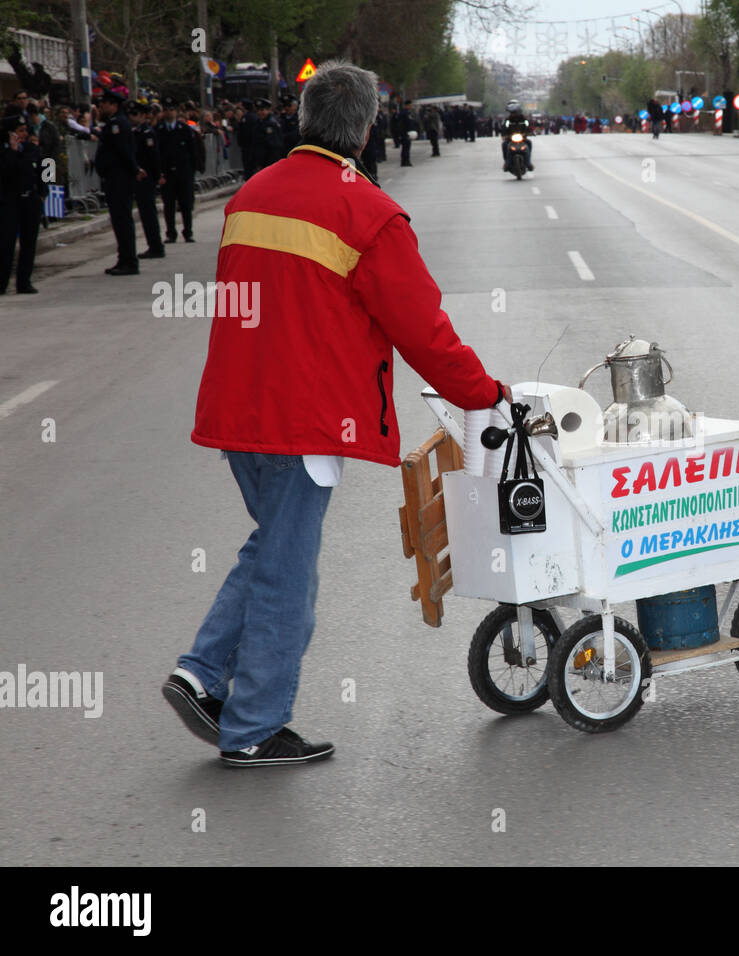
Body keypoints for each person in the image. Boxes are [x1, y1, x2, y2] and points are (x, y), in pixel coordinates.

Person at [170, 60, 513, 768]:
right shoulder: (369, 212)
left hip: (240, 409)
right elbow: (424, 331)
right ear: (365, 128)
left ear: (302, 120)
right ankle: (254, 727)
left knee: (272, 547)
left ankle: (202, 673)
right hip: (306, 420)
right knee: (287, 575)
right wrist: (484, 393)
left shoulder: (252, 194)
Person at [94, 87, 145, 275]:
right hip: (114, 178)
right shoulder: (113, 123)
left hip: (120, 179)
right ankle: (124, 258)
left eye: (104, 103)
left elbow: (124, 151)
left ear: (113, 105)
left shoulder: (118, 124)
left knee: (123, 220)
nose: (101, 106)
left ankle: (129, 261)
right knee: (119, 220)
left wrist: (134, 169)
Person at [0, 110, 45, 293]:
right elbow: (6, 171)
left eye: (25, 130)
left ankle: (24, 281)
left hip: (30, 200)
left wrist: (44, 191)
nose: (23, 134)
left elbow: (47, 164)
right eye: (19, 130)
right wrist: (11, 151)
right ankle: (2, 282)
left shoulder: (32, 148)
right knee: (6, 243)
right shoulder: (4, 152)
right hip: (10, 201)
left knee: (29, 242)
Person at [157, 98, 198, 242]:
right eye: (166, 110)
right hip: (167, 174)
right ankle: (171, 233)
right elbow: (157, 154)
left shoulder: (184, 129)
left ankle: (188, 232)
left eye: (172, 109)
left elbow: (192, 151)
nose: (169, 112)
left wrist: (192, 171)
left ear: (176, 112)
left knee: (186, 204)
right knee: (169, 205)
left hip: (183, 173)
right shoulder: (159, 130)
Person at [129, 101, 166, 258]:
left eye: (135, 114)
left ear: (143, 116)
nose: (131, 117)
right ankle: (153, 245)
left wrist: (158, 176)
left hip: (147, 178)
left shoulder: (147, 133)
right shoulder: (136, 132)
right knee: (145, 214)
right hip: (138, 178)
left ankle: (156, 246)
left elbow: (154, 157)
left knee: (149, 214)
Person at [246, 97, 282, 176]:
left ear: (268, 110)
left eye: (262, 110)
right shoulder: (258, 123)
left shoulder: (271, 124)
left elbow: (274, 145)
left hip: (270, 160)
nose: (260, 113)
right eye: (258, 110)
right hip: (260, 160)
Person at [501, 98, 532, 171]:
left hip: (522, 137)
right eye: (512, 112)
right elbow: (504, 127)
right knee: (504, 145)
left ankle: (528, 163)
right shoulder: (507, 120)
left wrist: (528, 132)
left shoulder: (523, 119)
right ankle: (506, 163)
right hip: (510, 138)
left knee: (529, 143)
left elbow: (528, 126)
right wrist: (504, 135)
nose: (514, 114)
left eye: (515, 112)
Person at [391, 96, 412, 166]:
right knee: (405, 148)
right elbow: (401, 124)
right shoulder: (403, 113)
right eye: (410, 105)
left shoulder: (407, 113)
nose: (410, 106)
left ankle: (406, 161)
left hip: (407, 132)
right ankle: (404, 161)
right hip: (404, 133)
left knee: (407, 147)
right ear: (407, 105)